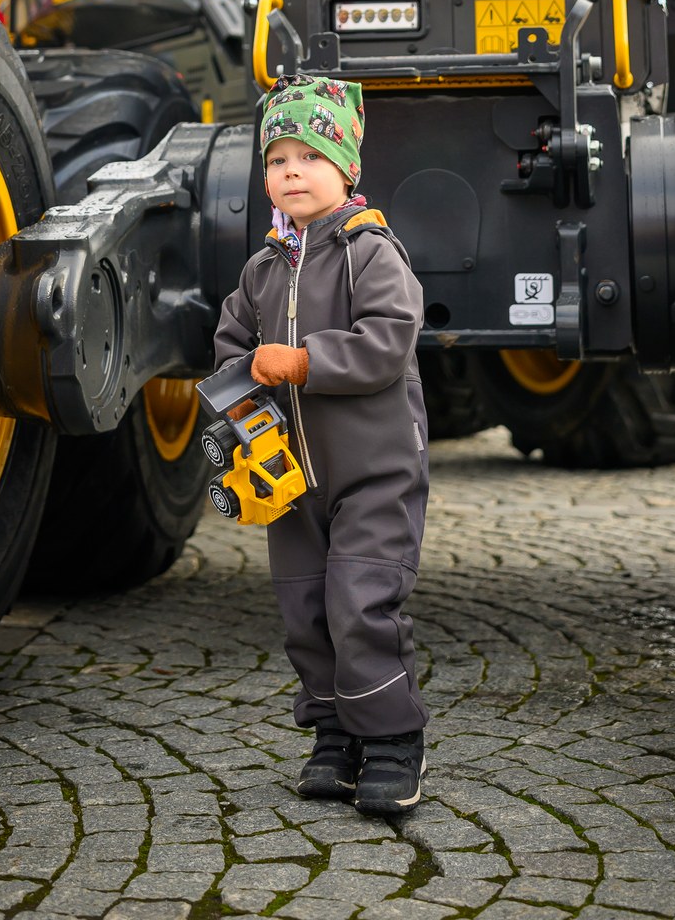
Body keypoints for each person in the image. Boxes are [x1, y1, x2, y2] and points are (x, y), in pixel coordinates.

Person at [213, 72, 429, 816]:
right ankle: (333, 735)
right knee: (305, 610)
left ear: (346, 168)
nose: (292, 171)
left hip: (373, 473)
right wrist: (239, 399)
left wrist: (305, 363)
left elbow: (388, 343)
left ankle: (395, 741)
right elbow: (233, 345)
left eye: (310, 155)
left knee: (361, 603)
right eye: (278, 159)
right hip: (293, 479)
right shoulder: (263, 268)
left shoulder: (372, 252)